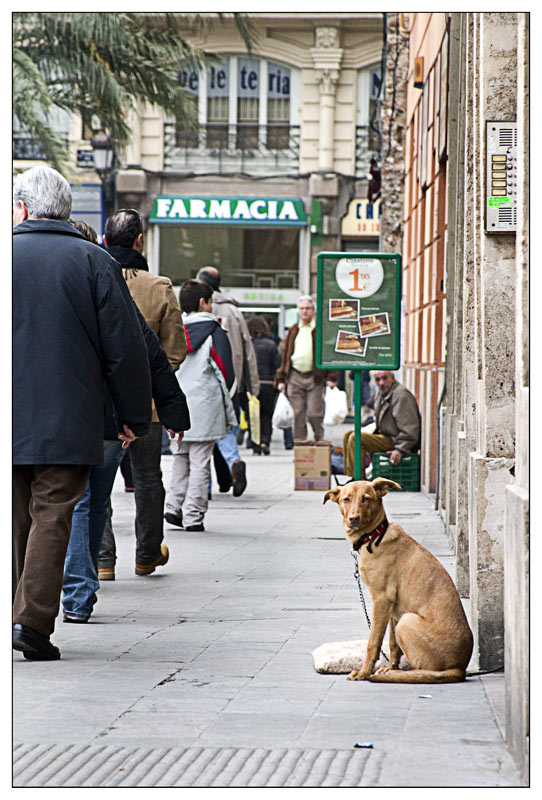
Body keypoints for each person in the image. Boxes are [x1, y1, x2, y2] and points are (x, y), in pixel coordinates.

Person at [12, 166, 152, 660]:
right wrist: (133, 413)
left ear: (23, 209)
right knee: (52, 514)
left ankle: (17, 612)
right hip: (69, 418)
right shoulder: (93, 261)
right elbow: (124, 348)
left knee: (15, 516)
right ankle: (31, 623)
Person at [61, 221, 190, 623]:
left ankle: (98, 566)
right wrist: (157, 399)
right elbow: (163, 350)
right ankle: (141, 555)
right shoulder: (149, 286)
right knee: (137, 482)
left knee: (85, 497)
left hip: (78, 411)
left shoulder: (65, 284)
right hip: (133, 410)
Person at [98, 209, 187, 580]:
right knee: (149, 478)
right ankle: (147, 554)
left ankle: (103, 559)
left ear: (105, 241)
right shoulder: (159, 286)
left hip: (100, 406)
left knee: (98, 482)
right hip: (146, 407)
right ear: (139, 242)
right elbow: (175, 351)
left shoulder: (92, 277)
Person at [164, 280, 237, 532]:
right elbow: (225, 373)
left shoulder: (172, 330)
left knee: (180, 458)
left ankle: (172, 506)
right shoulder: (215, 332)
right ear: (203, 303)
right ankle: (193, 516)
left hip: (175, 404)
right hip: (205, 406)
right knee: (200, 462)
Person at [196, 266, 260, 496]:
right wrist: (252, 385)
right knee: (226, 429)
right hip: (231, 382)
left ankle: (206, 488)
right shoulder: (234, 312)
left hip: (199, 381)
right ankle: (232, 465)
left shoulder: (195, 308)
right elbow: (248, 349)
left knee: (203, 436)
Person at [275, 295, 337, 442]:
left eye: (308, 308)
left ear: (313, 311)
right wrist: (281, 379)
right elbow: (286, 355)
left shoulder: (320, 330)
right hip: (295, 376)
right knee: (298, 414)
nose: (304, 311)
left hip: (314, 377)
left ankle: (319, 441)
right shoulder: (293, 330)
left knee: (314, 414)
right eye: (302, 308)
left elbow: (330, 353)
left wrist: (332, 377)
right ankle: (301, 449)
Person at [343, 370, 421, 479]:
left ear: (392, 378)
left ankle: (359, 482)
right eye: (378, 380)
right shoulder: (382, 392)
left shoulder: (401, 395)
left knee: (356, 439)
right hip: (388, 436)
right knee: (348, 435)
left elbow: (410, 428)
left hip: (396, 440)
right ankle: (352, 477)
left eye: (385, 378)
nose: (381, 383)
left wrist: (400, 449)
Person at [246, 316, 281, 455]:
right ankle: (266, 441)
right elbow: (276, 366)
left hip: (252, 385)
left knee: (253, 416)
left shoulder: (248, 345)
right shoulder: (272, 345)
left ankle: (255, 445)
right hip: (268, 384)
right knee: (267, 415)